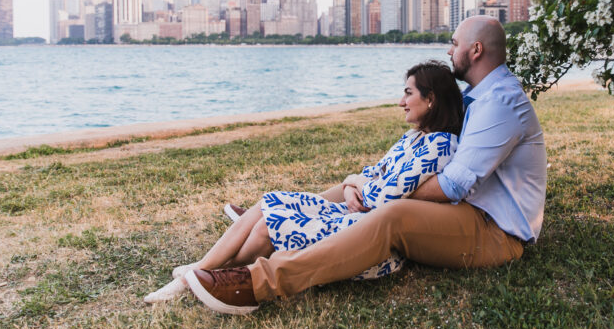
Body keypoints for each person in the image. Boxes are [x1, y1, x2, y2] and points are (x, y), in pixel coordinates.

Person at [183, 15, 548, 315]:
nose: (450, 50)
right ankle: (295, 214)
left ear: (476, 49)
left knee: (393, 215)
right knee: (359, 193)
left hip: (495, 232)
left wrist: (381, 195)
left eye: (455, 44)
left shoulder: (500, 102)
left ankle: (259, 283)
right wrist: (366, 186)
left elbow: (452, 185)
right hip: (469, 212)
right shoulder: (479, 95)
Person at [143, 60, 464, 303]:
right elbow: (372, 174)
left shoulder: (441, 145)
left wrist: (358, 186)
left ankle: (201, 277)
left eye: (408, 93)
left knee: (267, 226)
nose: (401, 101)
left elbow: (380, 199)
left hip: (368, 239)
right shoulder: (414, 137)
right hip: (354, 216)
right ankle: (201, 271)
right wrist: (355, 183)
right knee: (267, 205)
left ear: (431, 99)